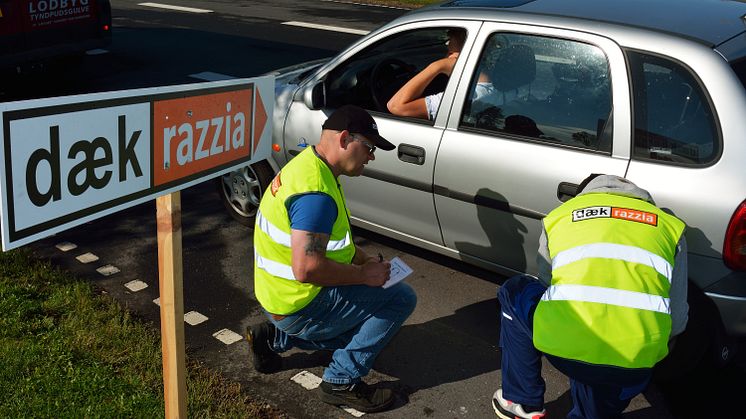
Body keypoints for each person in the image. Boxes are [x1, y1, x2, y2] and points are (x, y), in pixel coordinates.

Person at [248, 104, 417, 413]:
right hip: (299, 303)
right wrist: (366, 276)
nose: (371, 156)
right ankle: (341, 381)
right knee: (400, 298)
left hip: (279, 295)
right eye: (368, 147)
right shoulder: (316, 196)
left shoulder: (309, 166)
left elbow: (327, 244)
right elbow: (307, 267)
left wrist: (363, 260)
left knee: (361, 327)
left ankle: (274, 338)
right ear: (343, 139)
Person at [492, 174, 688, 419]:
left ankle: (522, 401)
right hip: (633, 362)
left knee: (515, 290)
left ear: (585, 195)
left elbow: (547, 287)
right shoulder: (670, 227)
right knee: (601, 382)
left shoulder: (561, 217)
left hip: (566, 349)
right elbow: (678, 321)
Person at [387, 28, 475, 120]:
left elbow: (395, 106)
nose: (447, 44)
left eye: (450, 39)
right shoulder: (482, 89)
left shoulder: (467, 98)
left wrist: (438, 65)